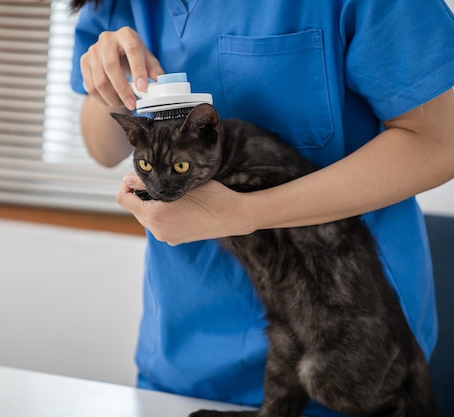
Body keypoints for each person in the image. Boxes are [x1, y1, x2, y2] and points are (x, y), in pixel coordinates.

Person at [69, 1, 454, 416]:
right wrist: (110, 86)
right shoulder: (116, 6)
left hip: (346, 348)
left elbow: (439, 140)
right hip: (183, 358)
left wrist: (245, 213)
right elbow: (102, 148)